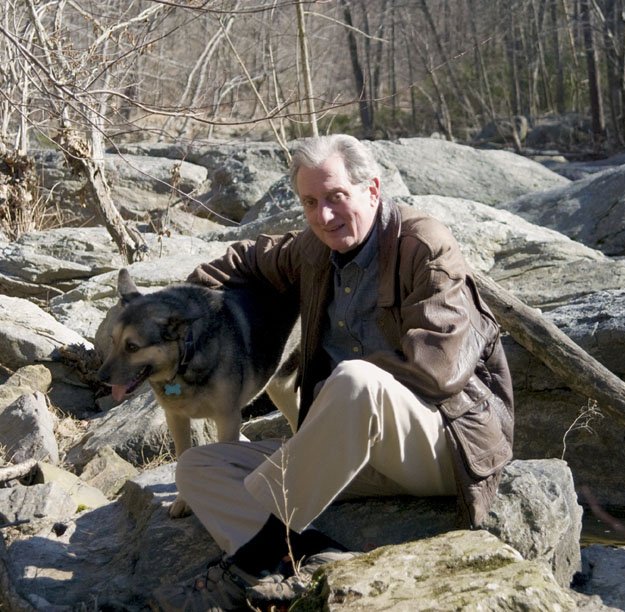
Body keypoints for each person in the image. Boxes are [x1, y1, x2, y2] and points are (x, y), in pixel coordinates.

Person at [155, 134, 514, 611]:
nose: (324, 216)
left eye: (336, 197)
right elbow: (247, 259)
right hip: (348, 454)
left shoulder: (423, 245)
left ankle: (249, 563)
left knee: (354, 381)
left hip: (442, 442)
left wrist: (337, 392)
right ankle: (314, 561)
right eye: (310, 202)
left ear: (372, 189)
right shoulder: (313, 250)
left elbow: (439, 370)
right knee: (197, 467)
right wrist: (176, 309)